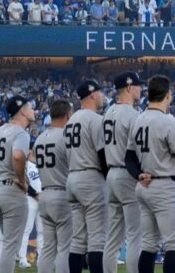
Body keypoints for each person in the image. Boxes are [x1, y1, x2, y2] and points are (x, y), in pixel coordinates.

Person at [125, 75, 175, 273]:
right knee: (174, 244)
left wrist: (138, 174)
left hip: (144, 186)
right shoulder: (168, 121)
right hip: (165, 186)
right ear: (168, 95)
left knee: (149, 243)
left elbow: (129, 158)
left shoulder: (139, 119)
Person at [103, 71, 144, 273]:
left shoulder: (108, 112)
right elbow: (139, 151)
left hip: (111, 174)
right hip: (127, 174)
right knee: (135, 235)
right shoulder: (133, 115)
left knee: (112, 238)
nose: (140, 89)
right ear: (129, 87)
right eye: (137, 85)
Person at [66, 80, 108, 273]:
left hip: (73, 177)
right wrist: (109, 177)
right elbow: (102, 154)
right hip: (91, 177)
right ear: (92, 94)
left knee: (78, 240)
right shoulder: (95, 119)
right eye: (100, 92)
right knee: (97, 239)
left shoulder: (71, 121)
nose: (102, 96)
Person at [33, 100, 73, 273]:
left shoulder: (40, 138)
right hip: (62, 193)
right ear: (68, 115)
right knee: (65, 247)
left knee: (48, 247)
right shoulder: (66, 136)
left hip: (45, 193)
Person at [0, 96, 33, 272]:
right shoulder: (20, 133)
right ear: (23, 111)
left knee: (6, 242)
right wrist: (22, 180)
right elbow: (18, 156)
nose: (33, 110)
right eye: (30, 107)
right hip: (11, 189)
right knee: (10, 246)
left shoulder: (0, 130)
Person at [18, 143, 43, 268]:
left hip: (43, 200)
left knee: (42, 231)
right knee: (26, 229)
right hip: (30, 199)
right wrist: (35, 194)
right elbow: (23, 182)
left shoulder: (43, 164)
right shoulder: (25, 164)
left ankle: (41, 260)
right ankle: (22, 259)